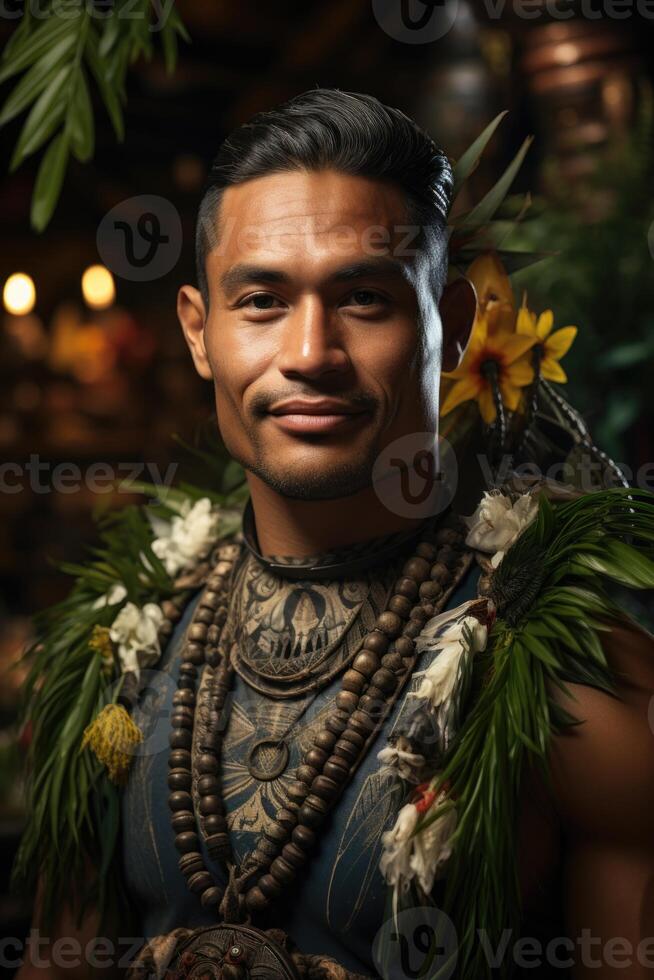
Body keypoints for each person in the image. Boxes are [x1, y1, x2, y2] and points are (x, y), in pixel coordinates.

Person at [14, 89, 654, 980]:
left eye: (363, 298)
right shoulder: (121, 650)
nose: (311, 351)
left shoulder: (570, 670)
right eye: (263, 300)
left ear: (453, 329)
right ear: (201, 333)